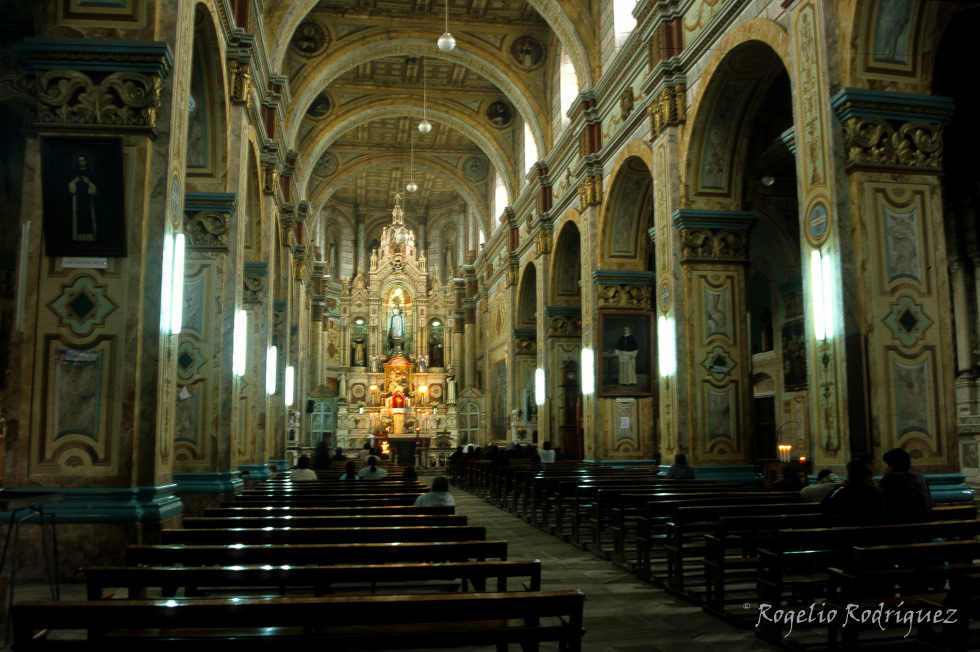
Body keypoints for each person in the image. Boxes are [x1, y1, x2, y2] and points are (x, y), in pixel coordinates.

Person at [822, 458, 885, 526]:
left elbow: (825, 505)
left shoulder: (844, 492)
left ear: (850, 474)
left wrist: (838, 486)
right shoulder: (877, 492)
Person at [880, 448, 932, 523]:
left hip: (900, 526)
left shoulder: (890, 479)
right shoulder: (920, 477)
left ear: (891, 466)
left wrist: (886, 476)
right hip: (924, 522)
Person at [68, 154, 98, 242]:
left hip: (88, 201)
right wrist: (74, 181)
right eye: (80, 161)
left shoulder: (90, 173)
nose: (81, 163)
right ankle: (77, 237)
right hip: (77, 200)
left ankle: (89, 238)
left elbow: (94, 191)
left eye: (83, 161)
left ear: (86, 162)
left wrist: (88, 182)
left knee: (88, 218)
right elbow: (70, 189)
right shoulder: (74, 173)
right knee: (77, 218)